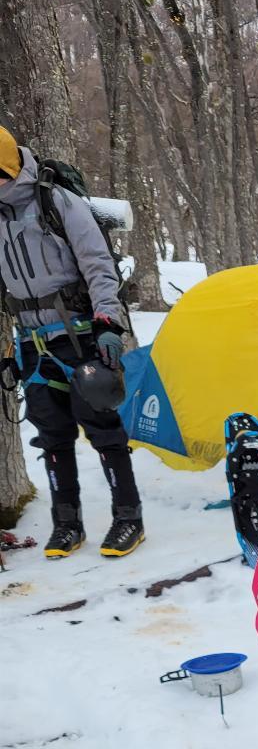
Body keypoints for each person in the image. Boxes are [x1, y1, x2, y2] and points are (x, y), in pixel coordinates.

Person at [0, 125, 144, 559]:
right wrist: (8, 352)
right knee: (51, 434)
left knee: (102, 428)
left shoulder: (55, 201)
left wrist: (108, 323)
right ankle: (67, 524)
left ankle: (129, 517)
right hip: (31, 341)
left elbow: (99, 265)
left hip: (80, 334)